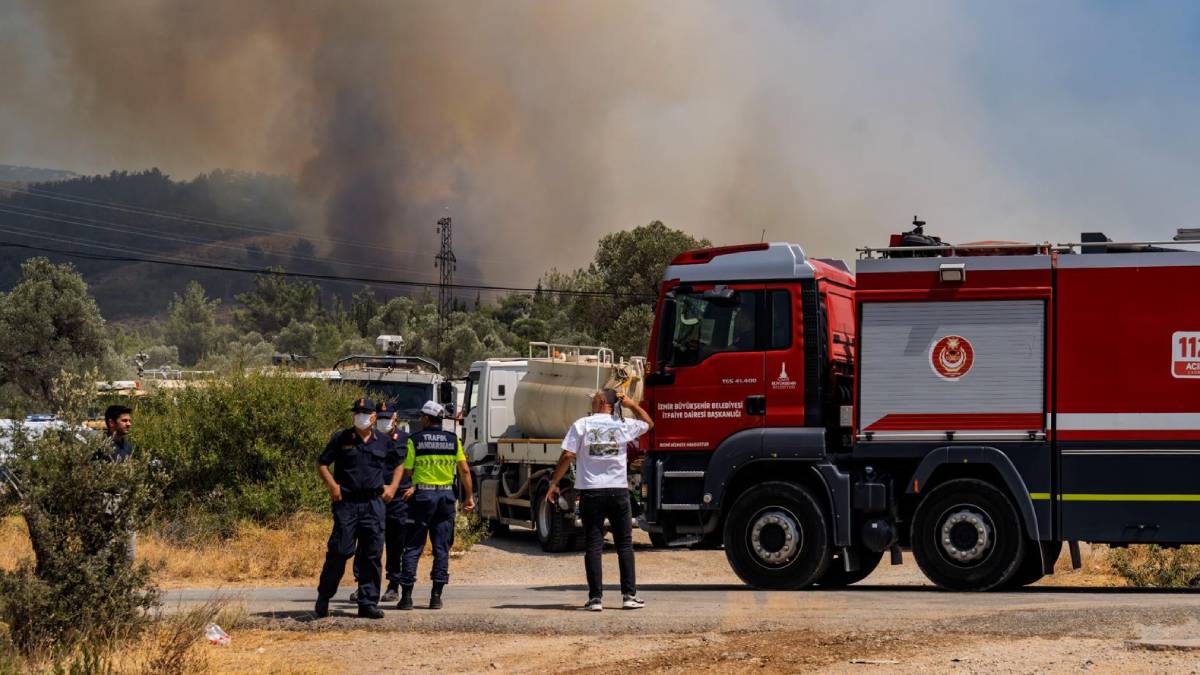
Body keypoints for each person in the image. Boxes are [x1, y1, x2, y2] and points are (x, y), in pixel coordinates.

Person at [546, 389, 653, 611]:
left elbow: (568, 455)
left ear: (602, 401)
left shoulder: (582, 425)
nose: (591, 401)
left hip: (591, 492)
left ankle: (595, 599)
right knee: (624, 544)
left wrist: (554, 482)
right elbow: (648, 423)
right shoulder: (622, 425)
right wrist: (631, 405)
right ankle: (629, 596)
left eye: (594, 398)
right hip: (618, 491)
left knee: (594, 545)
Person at [314, 398, 404, 620]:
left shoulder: (383, 441)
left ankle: (368, 603)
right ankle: (324, 596)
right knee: (340, 551)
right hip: (347, 503)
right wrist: (332, 486)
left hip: (373, 504)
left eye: (364, 412)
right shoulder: (342, 438)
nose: (360, 416)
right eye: (357, 412)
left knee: (372, 554)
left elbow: (399, 464)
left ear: (373, 416)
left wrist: (393, 487)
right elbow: (322, 463)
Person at [396, 400, 474, 610]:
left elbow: (408, 470)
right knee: (441, 549)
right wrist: (469, 497)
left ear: (426, 418)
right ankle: (436, 597)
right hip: (446, 497)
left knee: (413, 546)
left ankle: (406, 598)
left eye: (422, 416)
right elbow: (464, 471)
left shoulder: (415, 440)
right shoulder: (453, 440)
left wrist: (414, 481)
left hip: (422, 497)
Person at [349, 402, 411, 603]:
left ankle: (393, 585)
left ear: (395, 417)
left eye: (387, 417)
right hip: (373, 498)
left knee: (395, 544)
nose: (384, 421)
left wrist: (413, 487)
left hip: (397, 498)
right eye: (381, 417)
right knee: (367, 542)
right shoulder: (371, 438)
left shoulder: (406, 440)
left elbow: (413, 466)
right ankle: (363, 584)